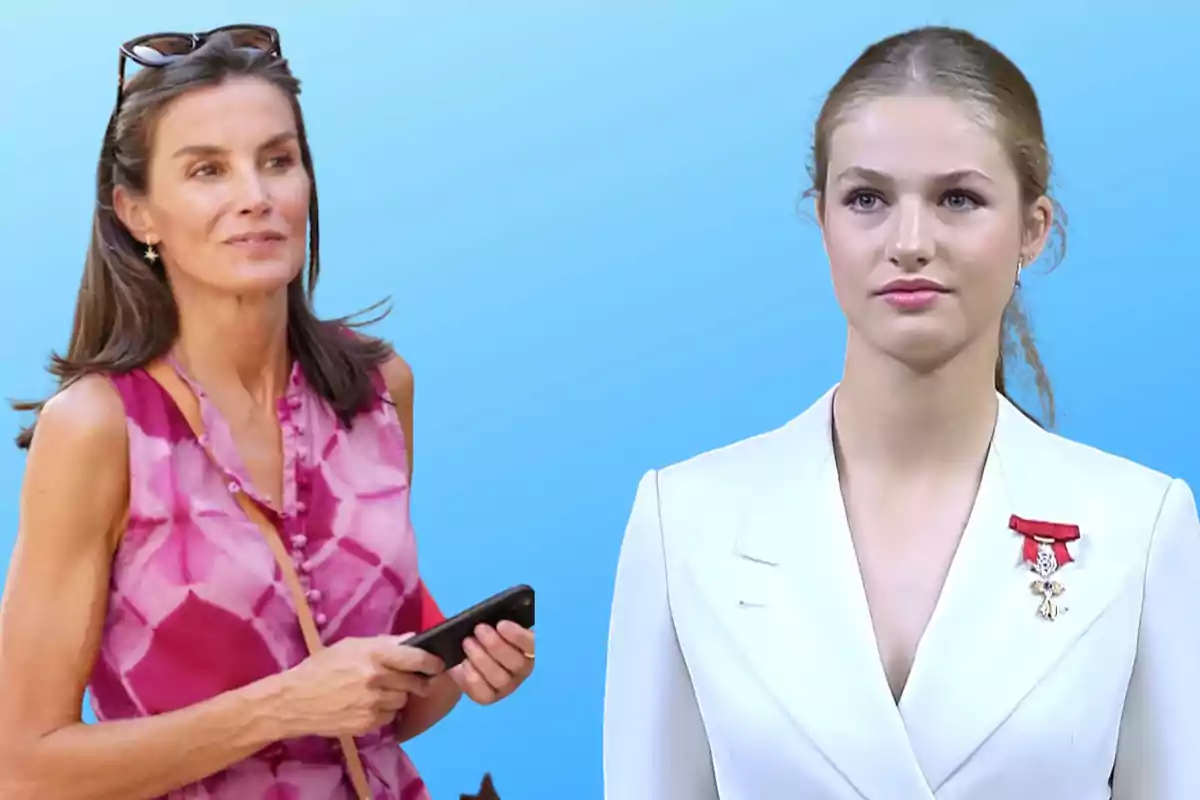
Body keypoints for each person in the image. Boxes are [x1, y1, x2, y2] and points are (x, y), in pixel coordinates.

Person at [602, 25, 1199, 800]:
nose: (909, 241)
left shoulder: (1141, 527)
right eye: (867, 199)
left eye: (958, 198)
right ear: (823, 222)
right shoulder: (682, 519)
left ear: (1033, 229)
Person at [0, 25, 534, 800]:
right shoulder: (99, 428)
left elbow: (378, 711)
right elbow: (24, 768)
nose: (255, 197)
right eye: (207, 170)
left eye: (277, 161)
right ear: (137, 212)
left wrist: (464, 666)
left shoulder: (380, 389)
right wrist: (278, 706)